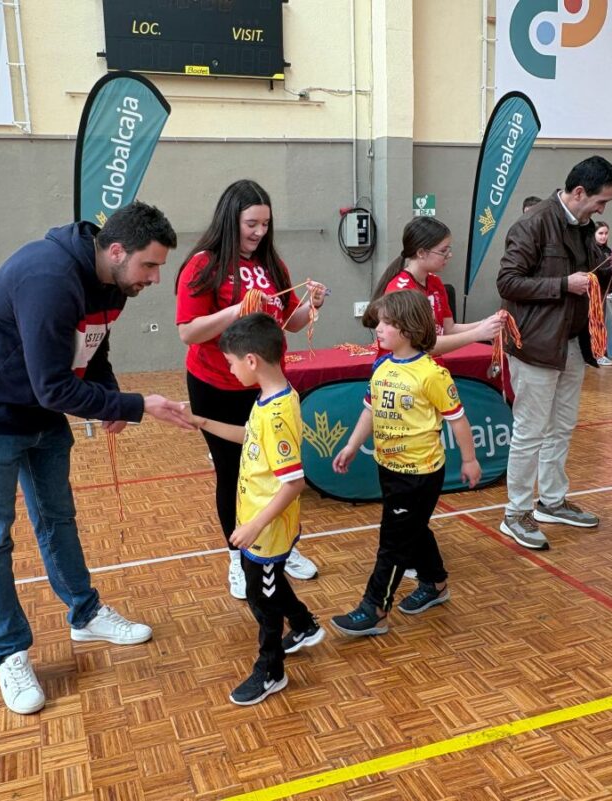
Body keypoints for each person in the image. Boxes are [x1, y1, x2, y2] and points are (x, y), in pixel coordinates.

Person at [0, 202, 196, 715]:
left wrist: (110, 393)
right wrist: (136, 405)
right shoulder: (47, 277)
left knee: (58, 519)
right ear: (117, 250)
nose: (154, 278)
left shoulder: (111, 284)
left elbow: (94, 349)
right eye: (149, 266)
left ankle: (85, 615)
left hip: (42, 417)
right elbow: (54, 384)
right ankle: (9, 653)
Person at [175, 179, 326, 600]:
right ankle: (238, 554)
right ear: (231, 219)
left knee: (279, 471)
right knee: (235, 472)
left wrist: (310, 305)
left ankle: (282, 547)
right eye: (251, 224)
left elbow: (287, 322)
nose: (259, 232)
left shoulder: (273, 265)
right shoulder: (204, 264)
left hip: (266, 387)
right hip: (216, 383)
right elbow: (188, 332)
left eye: (265, 224)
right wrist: (234, 311)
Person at [189, 314, 323, 705]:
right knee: (267, 582)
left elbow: (293, 482)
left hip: (265, 530)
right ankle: (303, 624)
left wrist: (253, 527)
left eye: (230, 362)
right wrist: (201, 420)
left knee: (261, 598)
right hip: (257, 522)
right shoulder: (267, 400)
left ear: (252, 361)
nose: (229, 369)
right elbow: (249, 436)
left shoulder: (279, 414)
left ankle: (271, 670)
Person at [495, 155, 612, 550]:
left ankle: (550, 502)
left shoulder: (584, 228)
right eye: (601, 202)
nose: (603, 210)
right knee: (530, 431)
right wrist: (560, 284)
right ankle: (515, 512)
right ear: (579, 192)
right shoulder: (534, 223)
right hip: (535, 345)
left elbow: (587, 280)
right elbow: (508, 281)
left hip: (571, 342)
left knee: (561, 427)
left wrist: (610, 271)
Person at [330, 291, 480, 635]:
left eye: (386, 323)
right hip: (388, 467)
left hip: (420, 473)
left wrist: (469, 459)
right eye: (379, 322)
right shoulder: (382, 366)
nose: (378, 328)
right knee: (413, 529)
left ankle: (375, 609)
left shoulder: (432, 374)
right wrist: (354, 444)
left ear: (409, 328)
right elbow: (371, 409)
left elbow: (458, 420)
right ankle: (436, 583)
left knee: (394, 542)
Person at [371, 217, 504, 356]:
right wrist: (477, 334)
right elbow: (422, 346)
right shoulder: (401, 290)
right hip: (404, 372)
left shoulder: (435, 282)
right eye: (443, 251)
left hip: (430, 368)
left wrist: (486, 324)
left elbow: (448, 329)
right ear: (421, 252)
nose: (449, 255)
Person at [593, 221, 612, 366]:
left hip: (603, 291)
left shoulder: (607, 251)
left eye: (606, 233)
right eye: (600, 233)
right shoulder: (590, 251)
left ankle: (600, 352)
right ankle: (594, 353)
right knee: (593, 322)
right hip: (591, 292)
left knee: (600, 321)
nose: (603, 236)